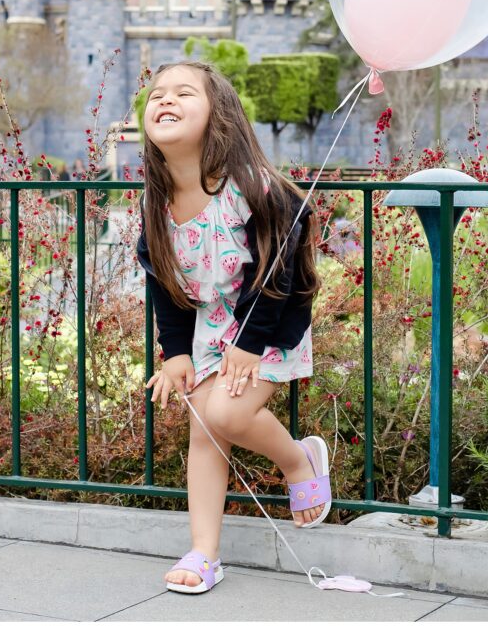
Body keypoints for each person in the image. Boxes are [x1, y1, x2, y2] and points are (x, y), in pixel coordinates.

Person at [138, 61, 331, 595]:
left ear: (218, 115)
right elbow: (163, 280)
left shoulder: (251, 187)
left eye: (183, 93)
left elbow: (281, 265)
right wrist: (175, 352)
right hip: (209, 329)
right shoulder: (157, 199)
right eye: (157, 94)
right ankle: (204, 553)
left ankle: (299, 461)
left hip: (265, 324)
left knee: (224, 411)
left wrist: (249, 341)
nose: (165, 100)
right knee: (206, 429)